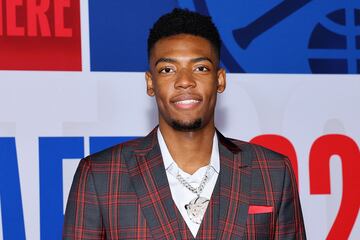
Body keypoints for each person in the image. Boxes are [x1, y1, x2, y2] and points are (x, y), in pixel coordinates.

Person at [63, 8, 306, 239]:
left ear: (220, 80)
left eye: (200, 68)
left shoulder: (272, 171)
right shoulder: (100, 175)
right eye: (168, 69)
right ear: (150, 83)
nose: (185, 81)